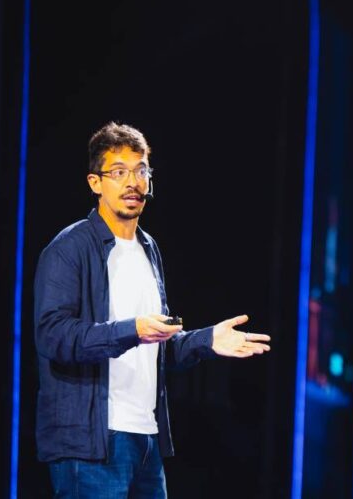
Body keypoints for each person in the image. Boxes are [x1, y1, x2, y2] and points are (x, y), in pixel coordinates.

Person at [33, 122, 271, 498]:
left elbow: (156, 345)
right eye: (119, 172)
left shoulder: (149, 250)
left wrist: (207, 340)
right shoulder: (70, 248)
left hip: (146, 439)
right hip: (92, 444)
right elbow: (53, 335)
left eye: (141, 171)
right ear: (95, 182)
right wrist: (132, 330)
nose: (133, 182)